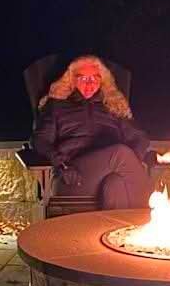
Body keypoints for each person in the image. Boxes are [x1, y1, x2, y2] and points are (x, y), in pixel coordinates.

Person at [31, 55, 153, 209]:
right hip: (73, 177)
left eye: (95, 78)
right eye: (83, 79)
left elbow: (140, 138)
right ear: (71, 79)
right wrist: (62, 165)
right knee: (120, 153)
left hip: (109, 173)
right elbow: (40, 141)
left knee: (116, 184)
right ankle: (149, 218)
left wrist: (133, 162)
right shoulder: (56, 106)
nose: (90, 84)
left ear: (102, 80)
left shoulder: (113, 106)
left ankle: (118, 231)